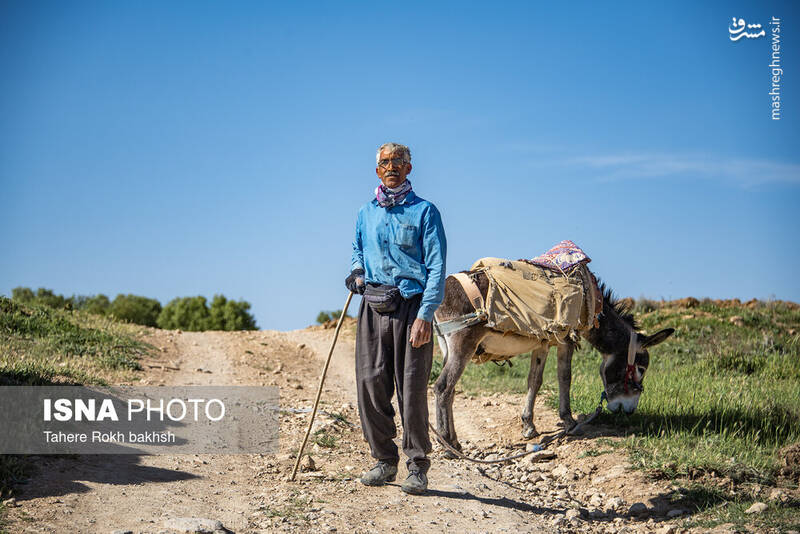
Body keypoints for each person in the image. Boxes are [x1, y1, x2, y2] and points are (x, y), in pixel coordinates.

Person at [345, 142, 447, 495]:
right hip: (373, 305)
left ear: (409, 168)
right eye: (385, 163)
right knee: (371, 384)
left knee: (412, 390)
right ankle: (384, 460)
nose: (391, 167)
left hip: (411, 308)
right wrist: (356, 270)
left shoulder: (425, 212)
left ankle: (417, 466)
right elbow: (358, 248)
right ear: (377, 171)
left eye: (398, 162)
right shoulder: (365, 212)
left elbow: (436, 267)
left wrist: (425, 315)